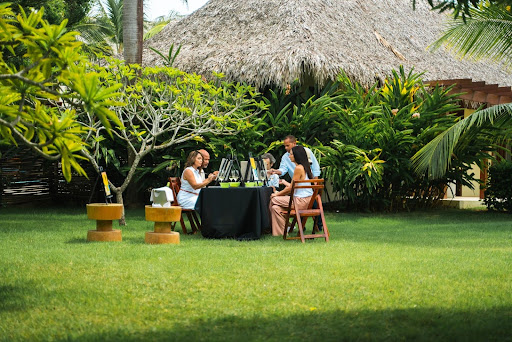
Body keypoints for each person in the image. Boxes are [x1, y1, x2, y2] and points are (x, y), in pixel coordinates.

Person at [269, 146, 314, 236]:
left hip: (301, 201)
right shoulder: (305, 167)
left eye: (291, 154)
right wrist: (285, 183)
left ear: (297, 156)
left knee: (272, 199)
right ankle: (282, 232)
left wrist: (277, 195)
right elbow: (296, 187)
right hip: (306, 200)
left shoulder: (298, 168)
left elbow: (291, 189)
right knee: (275, 208)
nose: (289, 156)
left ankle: (268, 227)